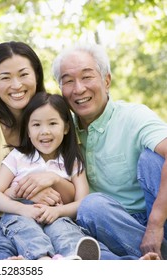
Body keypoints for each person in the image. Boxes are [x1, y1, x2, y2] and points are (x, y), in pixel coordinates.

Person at [0, 41, 77, 260]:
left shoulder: (54, 122)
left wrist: (50, 179)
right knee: (0, 254)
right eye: (5, 77)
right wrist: (32, 193)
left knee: (74, 245)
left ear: (36, 76)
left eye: (23, 74)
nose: (16, 85)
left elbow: (74, 195)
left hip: (53, 216)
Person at [52, 43, 167, 260]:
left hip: (159, 218)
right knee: (91, 207)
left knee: (152, 159)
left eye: (87, 77)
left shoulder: (134, 116)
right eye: (68, 81)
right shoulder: (61, 132)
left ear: (106, 81)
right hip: (110, 227)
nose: (78, 89)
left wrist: (155, 224)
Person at [0, 92, 99, 260]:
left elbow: (82, 202)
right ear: (28, 130)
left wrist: (58, 212)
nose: (44, 131)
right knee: (27, 231)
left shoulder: (72, 161)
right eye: (36, 125)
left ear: (66, 127)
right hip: (21, 213)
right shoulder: (18, 157)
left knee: (64, 231)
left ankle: (75, 258)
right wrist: (23, 209)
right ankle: (42, 259)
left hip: (56, 214)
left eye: (53, 123)